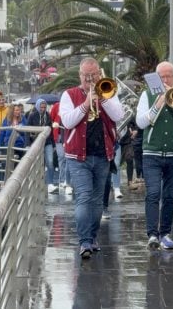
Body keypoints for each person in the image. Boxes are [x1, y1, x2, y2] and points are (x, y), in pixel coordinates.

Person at [60, 57, 124, 259]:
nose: (90, 79)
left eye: (93, 75)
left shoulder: (108, 91)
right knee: (84, 196)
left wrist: (102, 99)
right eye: (86, 76)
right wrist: (86, 103)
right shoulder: (69, 95)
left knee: (97, 201)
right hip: (78, 156)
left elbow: (118, 116)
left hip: (103, 154)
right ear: (80, 75)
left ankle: (92, 237)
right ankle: (84, 241)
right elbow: (68, 121)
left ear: (99, 74)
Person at [136, 61, 173, 251]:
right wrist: (158, 104)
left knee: (170, 195)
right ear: (156, 78)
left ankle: (165, 234)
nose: (165, 79)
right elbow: (140, 123)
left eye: (169, 75)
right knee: (153, 193)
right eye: (161, 76)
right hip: (151, 153)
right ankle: (152, 234)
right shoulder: (147, 95)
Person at [27, 98, 56, 194]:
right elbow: (27, 130)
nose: (43, 109)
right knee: (39, 163)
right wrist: (27, 144)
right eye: (41, 107)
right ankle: (38, 183)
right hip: (36, 142)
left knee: (50, 162)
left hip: (47, 142)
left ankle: (50, 183)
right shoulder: (32, 116)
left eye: (44, 107)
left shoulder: (48, 116)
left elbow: (50, 130)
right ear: (37, 106)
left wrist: (53, 144)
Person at [51, 101, 73, 195]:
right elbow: (51, 119)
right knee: (61, 157)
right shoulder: (56, 106)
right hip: (58, 136)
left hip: (68, 136)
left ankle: (67, 180)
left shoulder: (73, 106)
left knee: (68, 158)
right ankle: (62, 180)